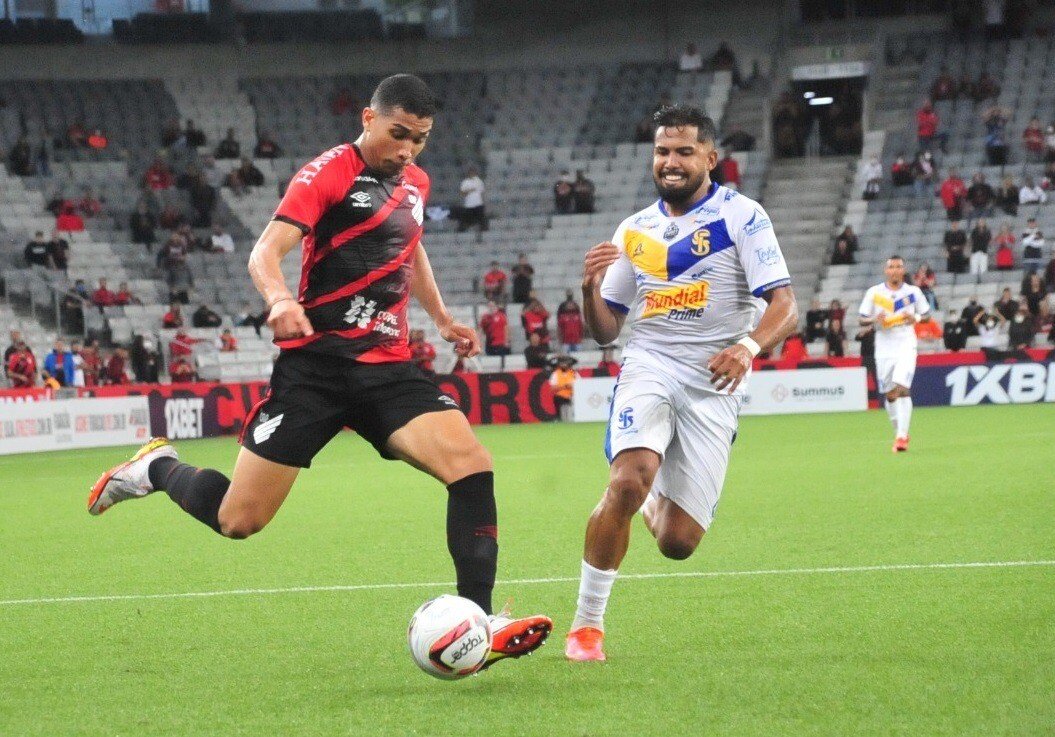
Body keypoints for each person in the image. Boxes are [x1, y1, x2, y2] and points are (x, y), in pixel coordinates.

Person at [87, 74, 550, 664]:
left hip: (387, 368)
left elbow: (411, 247)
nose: (407, 149)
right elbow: (264, 252)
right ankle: (157, 468)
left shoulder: (415, 182)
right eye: (398, 133)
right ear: (368, 118)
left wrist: (440, 317)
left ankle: (480, 623)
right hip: (317, 371)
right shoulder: (327, 172)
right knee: (238, 520)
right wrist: (281, 300)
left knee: (471, 465)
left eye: (421, 139)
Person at [566, 104, 797, 662]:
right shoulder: (635, 230)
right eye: (663, 151)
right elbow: (605, 331)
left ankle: (653, 503)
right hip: (649, 365)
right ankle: (586, 628)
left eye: (684, 151)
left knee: (677, 543)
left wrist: (746, 347)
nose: (671, 162)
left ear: (710, 158)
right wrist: (588, 288)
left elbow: (785, 307)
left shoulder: (744, 216)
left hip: (714, 383)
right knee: (627, 480)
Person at [858, 256, 930, 453]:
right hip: (883, 347)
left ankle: (901, 437)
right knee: (889, 394)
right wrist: (875, 319)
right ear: (886, 271)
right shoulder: (874, 293)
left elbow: (926, 315)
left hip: (906, 344)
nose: (895, 270)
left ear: (903, 270)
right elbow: (862, 319)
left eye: (899, 267)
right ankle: (899, 429)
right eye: (892, 267)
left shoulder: (913, 292)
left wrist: (914, 317)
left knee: (902, 388)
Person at [458, 166, 487, 232]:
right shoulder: (465, 182)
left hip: (478, 203)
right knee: (466, 219)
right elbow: (462, 193)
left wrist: (482, 201)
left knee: (481, 218)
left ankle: (483, 230)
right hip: (469, 204)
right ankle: (462, 230)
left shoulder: (479, 181)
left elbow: (482, 192)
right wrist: (470, 190)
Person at [549, 356, 578, 420]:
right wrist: (564, 386)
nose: (564, 365)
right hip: (561, 396)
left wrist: (572, 386)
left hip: (573, 395)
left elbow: (580, 384)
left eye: (565, 363)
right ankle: (559, 418)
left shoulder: (574, 373)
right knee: (557, 399)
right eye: (562, 363)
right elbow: (552, 388)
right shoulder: (555, 374)